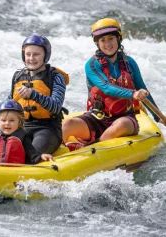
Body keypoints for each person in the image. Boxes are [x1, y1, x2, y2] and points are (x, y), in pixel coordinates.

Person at [62, 18, 166, 150]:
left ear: (118, 39)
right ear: (97, 43)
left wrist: (158, 117)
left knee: (120, 125)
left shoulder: (130, 63)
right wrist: (133, 94)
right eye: (103, 40)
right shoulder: (92, 65)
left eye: (111, 38)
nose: (107, 43)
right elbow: (106, 87)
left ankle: (92, 147)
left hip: (125, 118)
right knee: (68, 124)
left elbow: (142, 89)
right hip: (97, 117)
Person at [0, 34, 69, 154]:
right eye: (28, 54)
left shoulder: (56, 77)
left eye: (36, 54)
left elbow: (56, 107)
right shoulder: (18, 76)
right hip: (20, 126)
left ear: (45, 56)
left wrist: (33, 94)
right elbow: (8, 103)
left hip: (47, 128)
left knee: (32, 155)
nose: (31, 58)